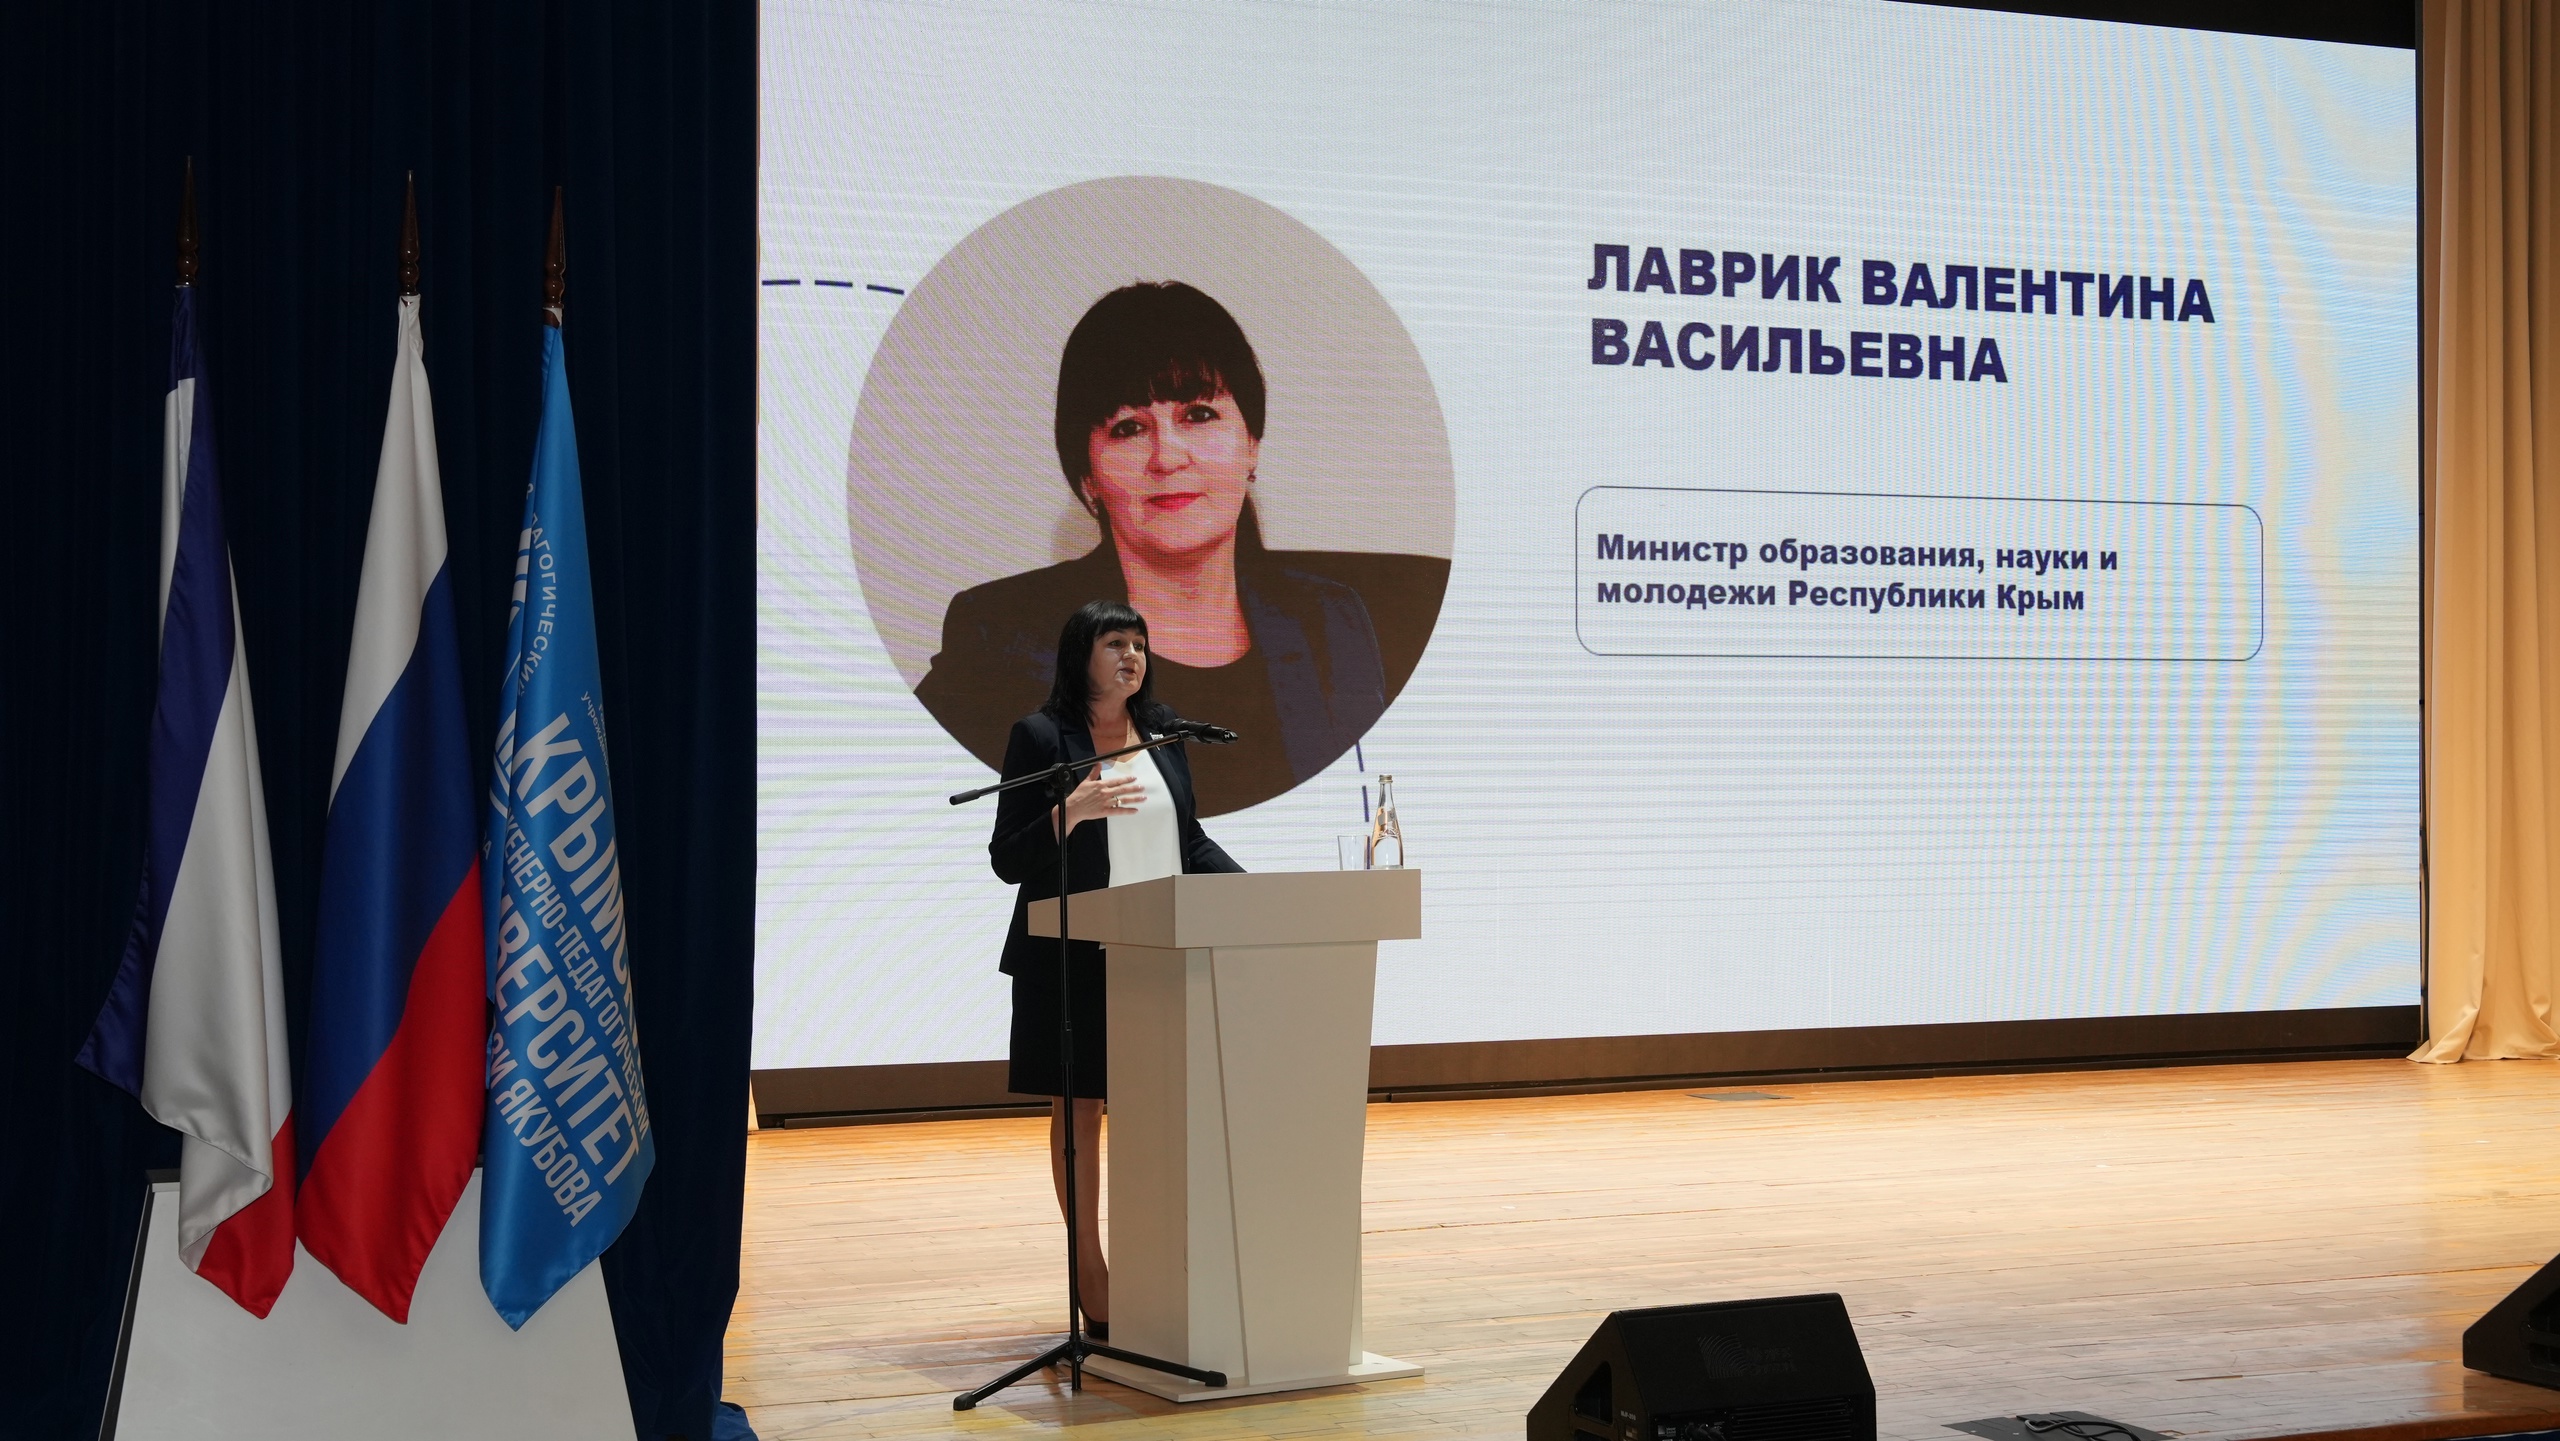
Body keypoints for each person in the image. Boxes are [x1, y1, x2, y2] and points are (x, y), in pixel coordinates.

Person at [916, 280, 1448, 816]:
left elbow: (1362, 806)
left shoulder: (1330, 622)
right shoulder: (1001, 637)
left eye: (1198, 415)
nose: (1167, 457)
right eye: (1128, 428)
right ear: (1088, 478)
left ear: (1251, 445)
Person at [988, 598, 1243, 1334]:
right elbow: (1008, 857)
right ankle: (1090, 1269)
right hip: (1071, 955)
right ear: (1081, 655)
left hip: (1157, 953)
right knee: (1081, 1110)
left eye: (1139, 643)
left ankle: (1160, 1263)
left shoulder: (1163, 731)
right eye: (1115, 643)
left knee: (1161, 1108)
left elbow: (1187, 840)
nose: (1132, 655)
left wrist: (1251, 895)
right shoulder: (1043, 737)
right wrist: (1072, 809)